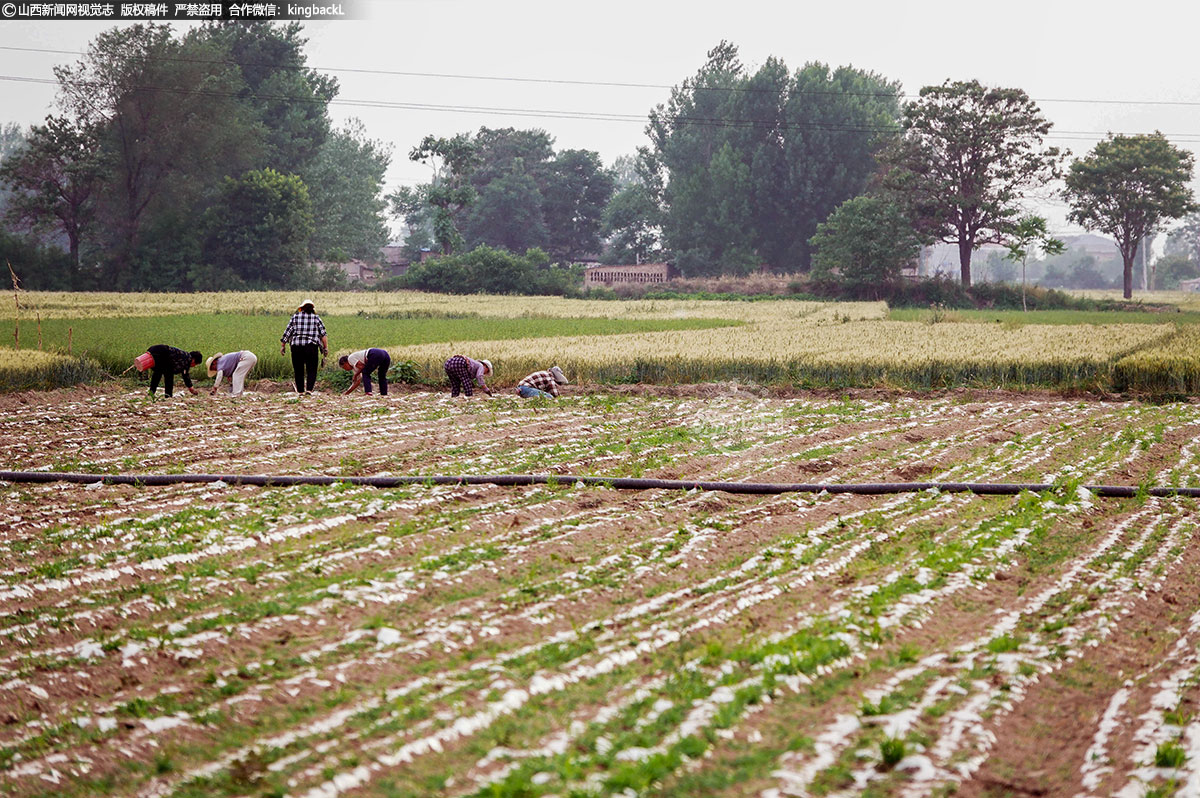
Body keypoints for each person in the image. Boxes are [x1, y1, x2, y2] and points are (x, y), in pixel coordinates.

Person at [280, 299, 328, 394]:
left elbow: (287, 333)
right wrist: (325, 348)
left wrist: (283, 346)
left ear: (301, 308)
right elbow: (323, 334)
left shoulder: (295, 317)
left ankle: (300, 391)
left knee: (298, 370)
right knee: (312, 369)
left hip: (296, 347)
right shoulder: (316, 318)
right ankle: (309, 390)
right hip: (311, 347)